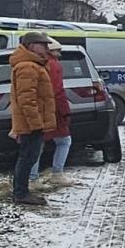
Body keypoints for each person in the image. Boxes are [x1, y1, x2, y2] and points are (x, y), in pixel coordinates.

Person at [9, 31, 58, 206]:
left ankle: (21, 192)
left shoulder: (34, 65)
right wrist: (36, 123)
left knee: (29, 156)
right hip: (31, 124)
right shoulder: (27, 67)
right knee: (28, 157)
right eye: (43, 45)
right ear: (31, 46)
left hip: (32, 122)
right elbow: (26, 99)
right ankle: (21, 193)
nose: (46, 48)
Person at [29, 38, 73, 189]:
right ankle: (55, 174)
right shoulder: (54, 65)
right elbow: (56, 90)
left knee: (38, 143)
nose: (60, 54)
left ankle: (33, 178)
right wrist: (64, 110)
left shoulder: (38, 63)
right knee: (63, 141)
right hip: (52, 110)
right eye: (58, 51)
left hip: (40, 109)